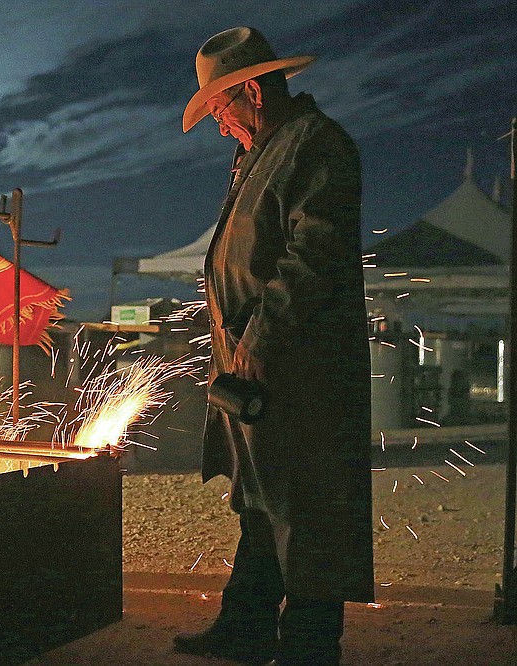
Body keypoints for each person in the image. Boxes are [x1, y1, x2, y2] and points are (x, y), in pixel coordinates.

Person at [173, 27, 373, 665]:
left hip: (299, 368)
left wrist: (258, 341)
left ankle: (311, 648)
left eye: (221, 110)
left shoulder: (317, 147)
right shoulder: (264, 150)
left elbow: (310, 257)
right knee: (260, 500)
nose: (220, 124)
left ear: (251, 92)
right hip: (258, 361)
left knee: (306, 507)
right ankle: (247, 625)